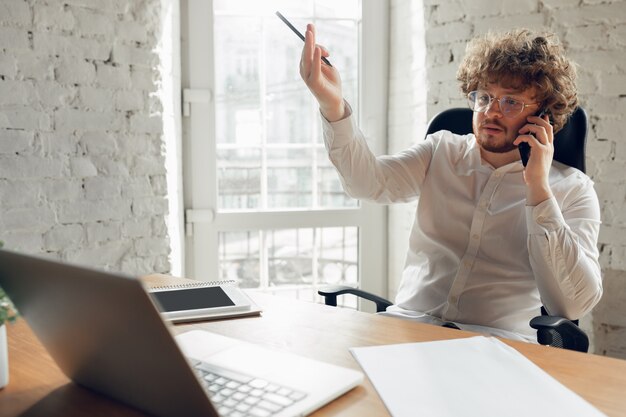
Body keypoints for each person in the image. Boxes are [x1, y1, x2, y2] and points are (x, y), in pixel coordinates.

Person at [300, 25, 602, 342]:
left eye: (510, 102)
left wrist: (538, 189)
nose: (490, 112)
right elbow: (366, 183)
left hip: (494, 343)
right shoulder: (442, 150)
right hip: (409, 328)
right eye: (484, 97)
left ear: (544, 115)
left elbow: (572, 304)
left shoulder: (572, 189)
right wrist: (331, 104)